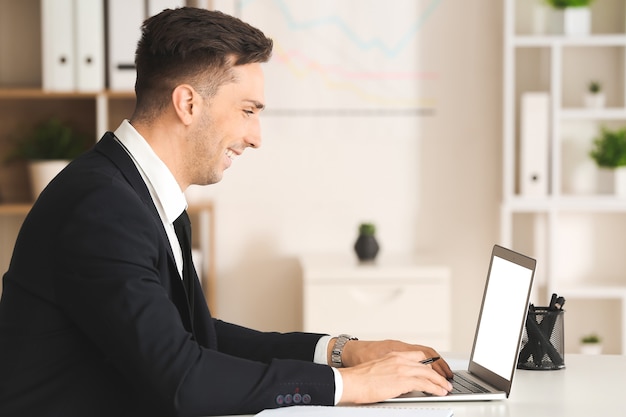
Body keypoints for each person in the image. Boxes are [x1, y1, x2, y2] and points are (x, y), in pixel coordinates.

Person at [0, 7, 453, 417]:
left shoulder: (138, 192)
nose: (256, 136)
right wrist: (350, 386)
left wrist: (341, 353)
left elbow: (194, 338)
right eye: (247, 111)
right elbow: (183, 379)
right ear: (188, 103)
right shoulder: (101, 207)